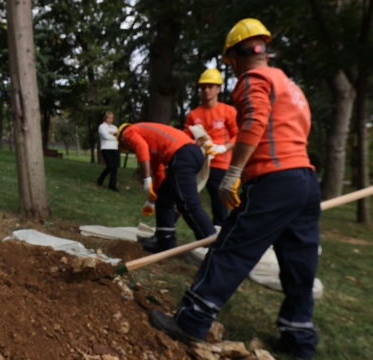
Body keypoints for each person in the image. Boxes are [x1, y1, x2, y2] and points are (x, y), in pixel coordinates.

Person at [148, 18, 321, 360]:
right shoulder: (289, 84)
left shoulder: (252, 79)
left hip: (274, 180)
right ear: (264, 48)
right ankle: (298, 336)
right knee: (299, 260)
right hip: (305, 180)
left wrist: (234, 173)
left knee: (231, 248)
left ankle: (192, 320)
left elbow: (255, 122)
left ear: (232, 58)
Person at [117, 122, 216, 254]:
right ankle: (165, 241)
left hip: (182, 155)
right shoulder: (147, 136)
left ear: (123, 141)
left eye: (129, 149)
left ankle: (213, 244)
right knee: (163, 198)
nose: (132, 150)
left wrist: (146, 179)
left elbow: (140, 146)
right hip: (190, 153)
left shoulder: (127, 132)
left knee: (187, 204)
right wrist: (152, 198)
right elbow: (158, 172)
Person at [184, 69, 238, 226]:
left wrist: (222, 148)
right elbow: (185, 137)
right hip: (198, 163)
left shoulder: (228, 111)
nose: (206, 90)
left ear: (218, 88)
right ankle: (166, 231)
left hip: (219, 164)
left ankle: (218, 239)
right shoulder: (194, 114)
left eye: (210, 86)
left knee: (219, 205)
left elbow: (239, 136)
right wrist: (194, 144)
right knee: (184, 196)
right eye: (203, 87)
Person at [97, 111, 120, 192]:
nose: (110, 120)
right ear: (105, 118)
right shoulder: (102, 127)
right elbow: (106, 137)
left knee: (115, 167)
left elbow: (119, 136)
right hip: (106, 148)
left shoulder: (114, 127)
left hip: (115, 148)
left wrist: (114, 134)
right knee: (110, 166)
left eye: (112, 118)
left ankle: (112, 185)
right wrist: (115, 135)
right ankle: (100, 179)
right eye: (109, 118)